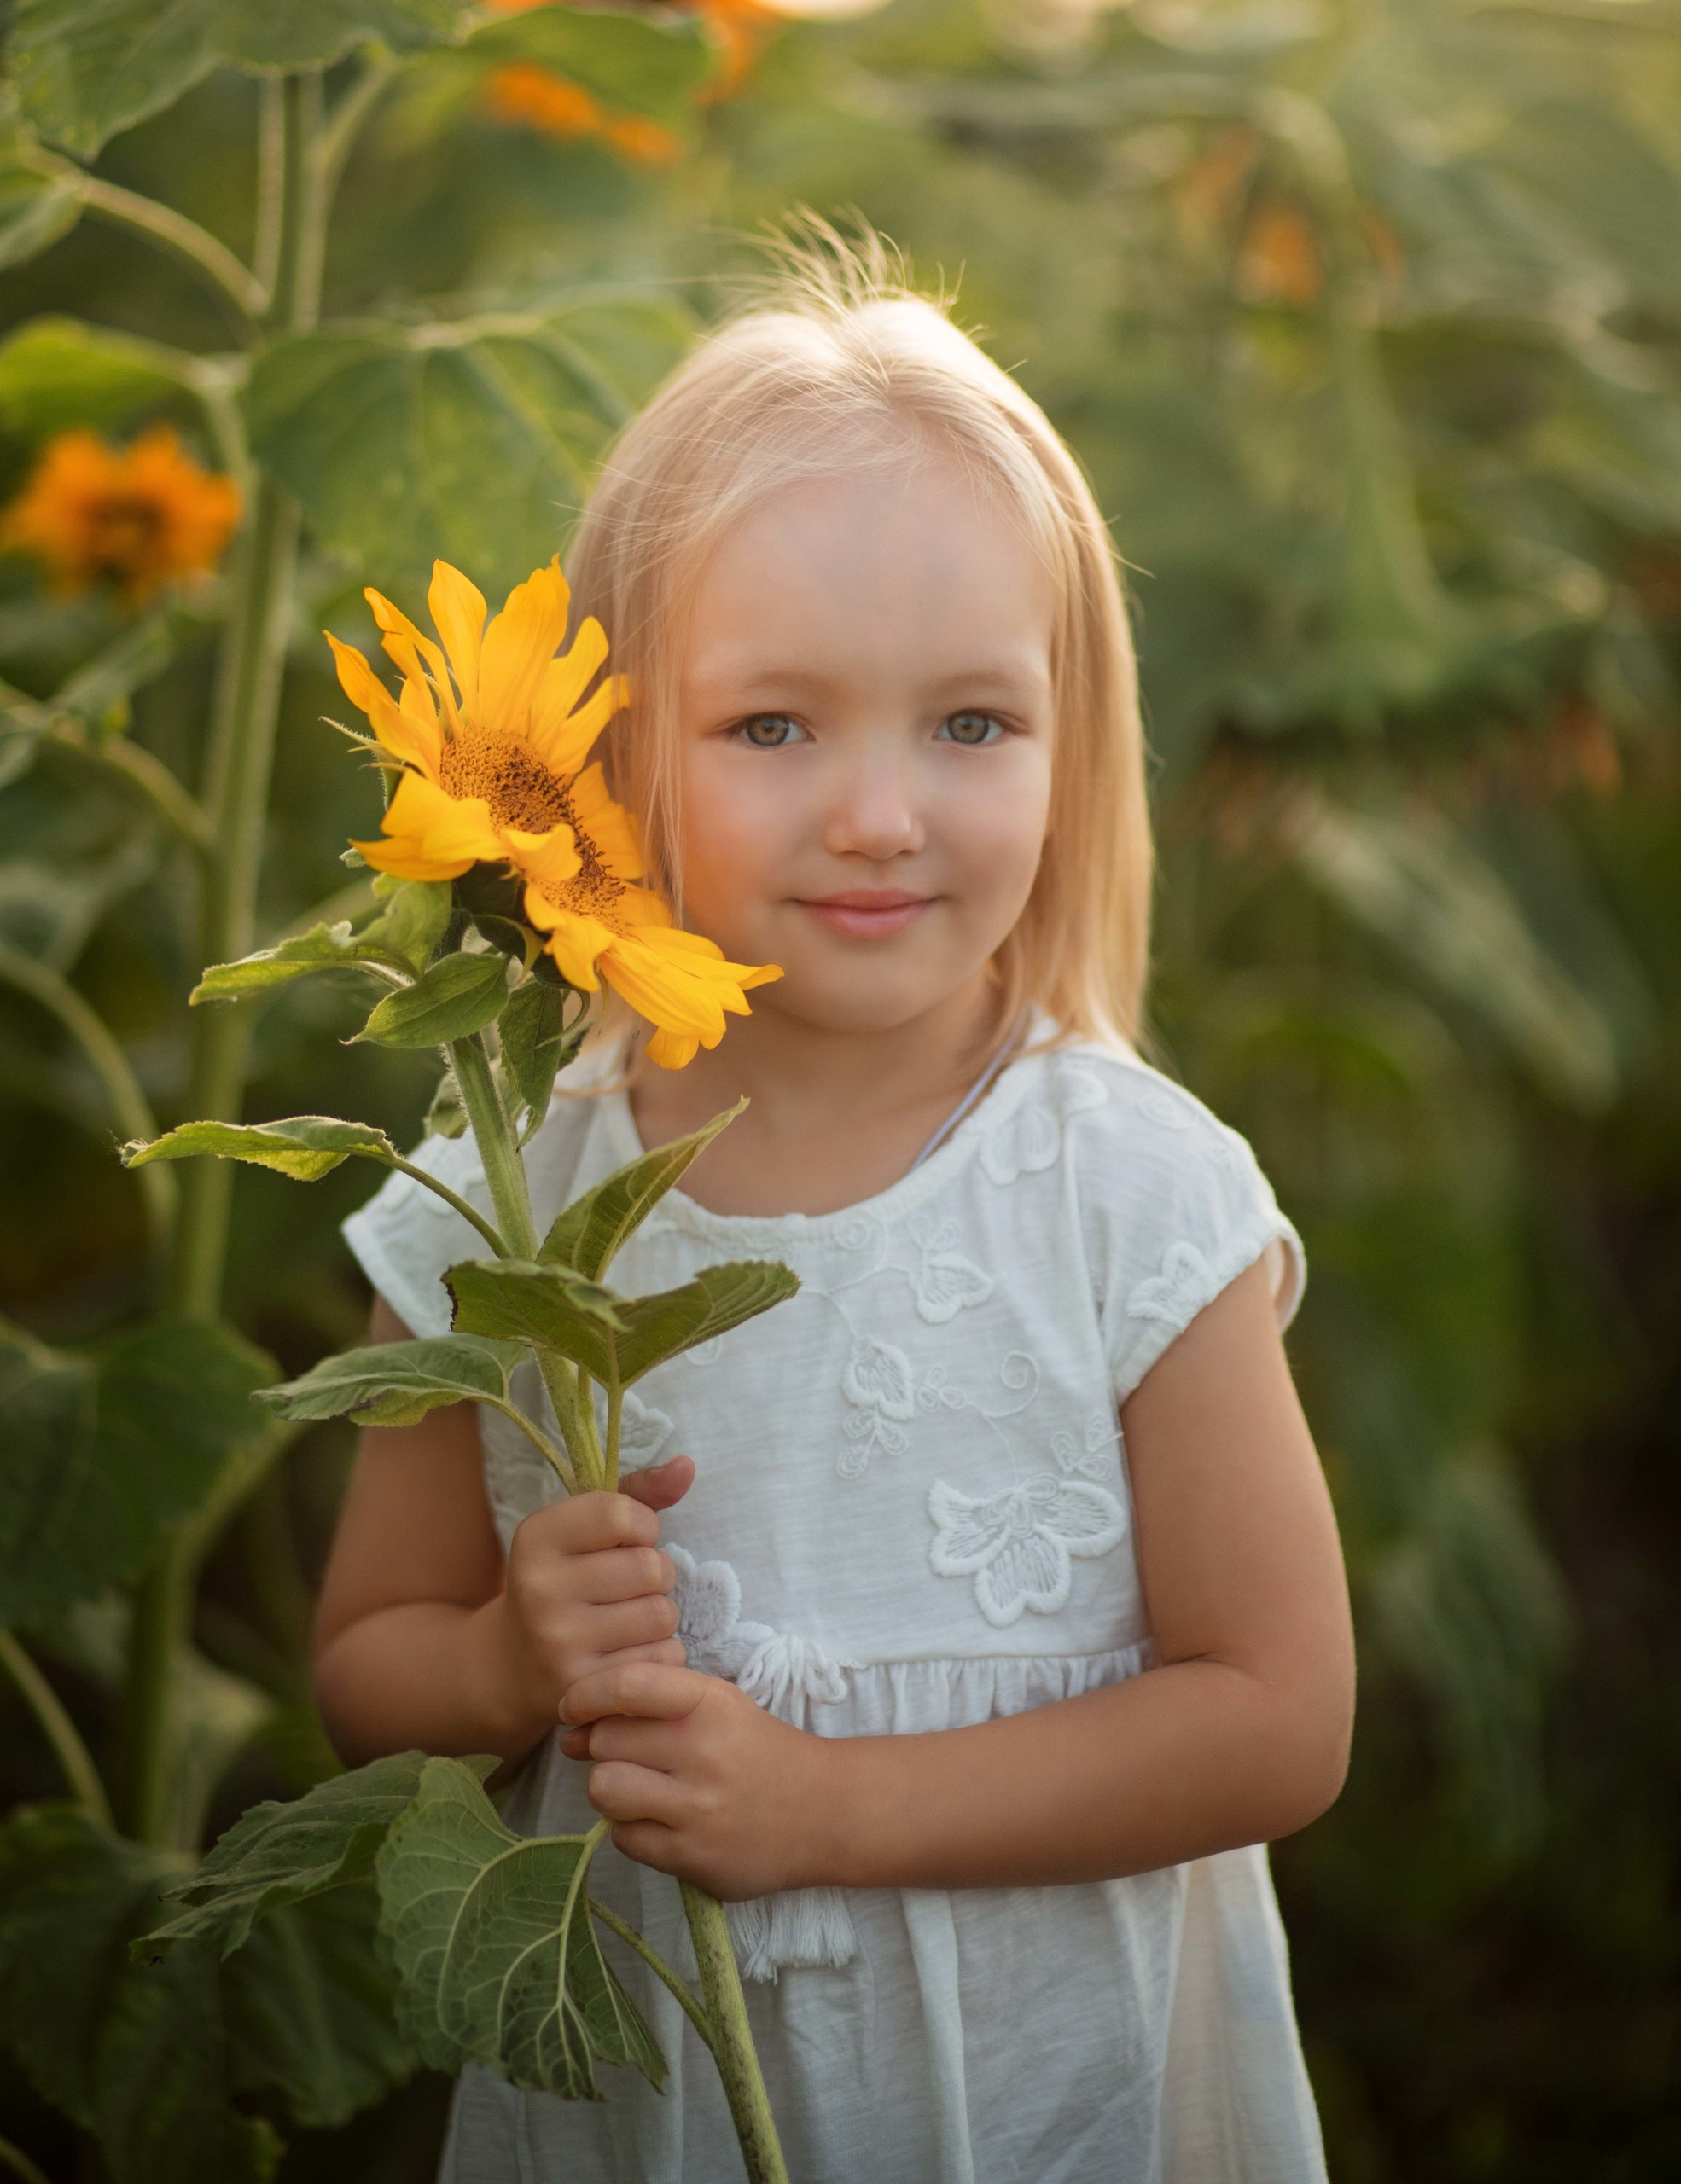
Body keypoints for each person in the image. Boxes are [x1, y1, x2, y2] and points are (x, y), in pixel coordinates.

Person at [314, 233, 1355, 2184]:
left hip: (1057, 2096)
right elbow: (370, 1655)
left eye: (968, 725)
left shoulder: (1123, 1189)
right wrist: (500, 1667)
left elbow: (1278, 1714)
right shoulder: (510, 1193)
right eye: (775, 726)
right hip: (654, 2082)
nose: (879, 811)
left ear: (1071, 746)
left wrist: (826, 1808)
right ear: (611, 750)